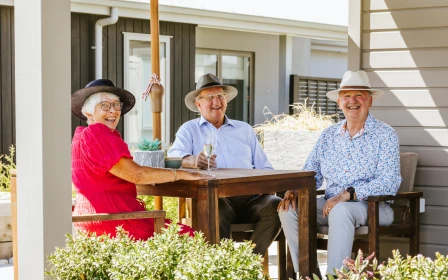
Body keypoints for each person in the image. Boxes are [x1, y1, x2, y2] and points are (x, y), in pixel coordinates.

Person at [278, 70, 402, 276]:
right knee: (289, 208)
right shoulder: (329, 135)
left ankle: (336, 276)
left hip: (374, 207)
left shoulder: (385, 135)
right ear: (339, 102)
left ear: (369, 101)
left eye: (359, 95)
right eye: (346, 96)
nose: (352, 101)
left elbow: (390, 182)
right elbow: (311, 172)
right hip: (330, 206)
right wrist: (295, 189)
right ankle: (307, 274)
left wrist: (348, 194)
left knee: (341, 210)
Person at [71, 79, 211, 240]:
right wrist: (180, 173)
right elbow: (137, 175)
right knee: (192, 237)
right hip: (114, 221)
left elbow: (117, 174)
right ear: (88, 113)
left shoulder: (80, 137)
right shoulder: (98, 133)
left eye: (116, 105)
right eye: (104, 105)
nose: (113, 111)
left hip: (91, 220)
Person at [168, 73, 282, 255]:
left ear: (226, 100)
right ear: (198, 104)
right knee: (215, 208)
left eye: (220, 96)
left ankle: (246, 265)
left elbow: (264, 167)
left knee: (277, 205)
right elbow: (174, 159)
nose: (216, 102)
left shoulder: (243, 129)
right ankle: (222, 265)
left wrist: (266, 185)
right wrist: (194, 161)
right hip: (216, 196)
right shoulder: (189, 129)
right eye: (210, 97)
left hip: (251, 197)